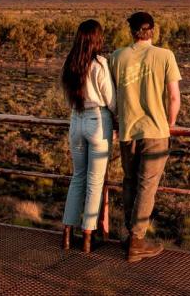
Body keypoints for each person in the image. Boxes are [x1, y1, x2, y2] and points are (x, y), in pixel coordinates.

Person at [110, 11, 181, 262]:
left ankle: (131, 237)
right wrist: (169, 123)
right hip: (155, 131)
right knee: (147, 186)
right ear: (153, 30)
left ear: (131, 31)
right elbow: (174, 97)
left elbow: (112, 95)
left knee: (130, 182)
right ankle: (137, 241)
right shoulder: (165, 56)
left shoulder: (117, 56)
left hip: (128, 131)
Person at [60, 19, 116, 253]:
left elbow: (67, 97)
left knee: (78, 178)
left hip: (76, 120)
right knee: (94, 182)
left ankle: (66, 233)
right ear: (96, 39)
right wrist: (119, 120)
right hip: (97, 121)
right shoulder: (99, 63)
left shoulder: (70, 63)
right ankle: (87, 236)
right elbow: (111, 100)